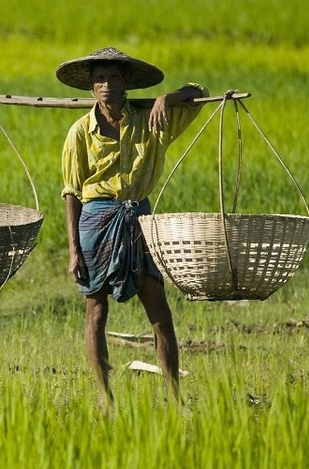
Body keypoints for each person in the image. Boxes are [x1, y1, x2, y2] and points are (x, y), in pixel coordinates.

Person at [57, 46, 207, 411]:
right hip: (96, 221)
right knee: (96, 312)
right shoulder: (80, 132)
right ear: (92, 88)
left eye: (113, 78)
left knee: (159, 311)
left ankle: (176, 398)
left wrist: (165, 98)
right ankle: (106, 400)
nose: (106, 85)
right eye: (99, 79)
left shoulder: (152, 120)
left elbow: (199, 94)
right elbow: (72, 194)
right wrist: (74, 250)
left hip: (139, 221)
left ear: (126, 84)